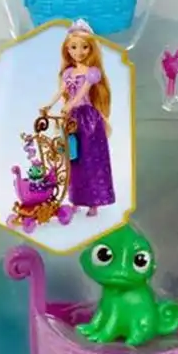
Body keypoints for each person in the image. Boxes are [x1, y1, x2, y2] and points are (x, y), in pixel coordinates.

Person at [46, 19, 115, 216]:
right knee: (73, 159)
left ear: (91, 49)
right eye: (73, 47)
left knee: (91, 160)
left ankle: (93, 202)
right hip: (72, 119)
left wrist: (70, 105)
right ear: (67, 50)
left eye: (84, 47)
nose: (79, 52)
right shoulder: (68, 72)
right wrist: (49, 105)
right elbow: (62, 90)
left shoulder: (93, 73)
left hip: (89, 119)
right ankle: (75, 199)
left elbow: (82, 93)